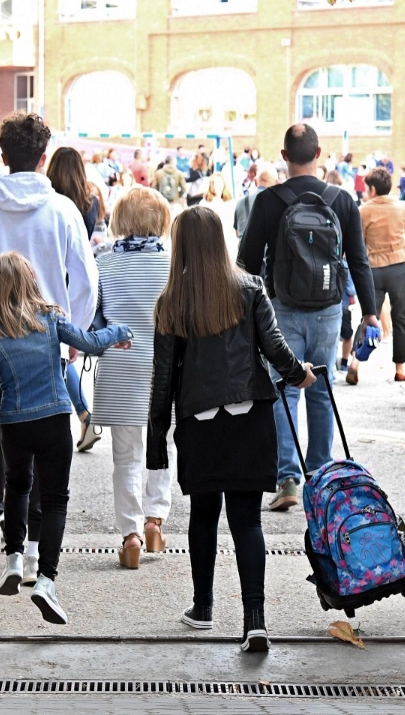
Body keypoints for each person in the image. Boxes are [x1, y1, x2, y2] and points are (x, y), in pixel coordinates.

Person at [149, 206, 314, 649]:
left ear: (181, 245)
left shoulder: (171, 300)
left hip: (199, 421)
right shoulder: (249, 288)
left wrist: (155, 444)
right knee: (246, 522)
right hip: (249, 415)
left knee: (203, 516)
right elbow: (275, 349)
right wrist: (300, 374)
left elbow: (162, 378)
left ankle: (203, 608)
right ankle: (254, 621)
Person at [0, 113, 99, 576]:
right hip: (45, 339)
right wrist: (73, 330)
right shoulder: (62, 210)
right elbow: (86, 278)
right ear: (43, 158)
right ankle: (34, 544)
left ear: (2, 156)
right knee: (40, 439)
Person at [0, 252, 132, 625]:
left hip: (14, 426)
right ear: (30, 283)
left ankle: (13, 559)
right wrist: (119, 332)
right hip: (54, 421)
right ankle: (46, 581)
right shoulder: (51, 320)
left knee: (16, 488)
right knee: (55, 500)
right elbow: (88, 342)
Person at [237, 124, 378, 512]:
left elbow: (246, 263)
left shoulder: (267, 201)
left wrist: (244, 312)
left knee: (286, 388)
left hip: (281, 309)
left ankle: (287, 480)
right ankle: (319, 474)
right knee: (322, 389)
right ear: (319, 154)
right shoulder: (342, 200)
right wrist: (368, 312)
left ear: (284, 156)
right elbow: (359, 260)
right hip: (330, 310)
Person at [89, 187, 176, 568]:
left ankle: (131, 535)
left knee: (125, 458)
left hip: (120, 367)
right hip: (165, 369)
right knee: (162, 447)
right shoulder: (175, 264)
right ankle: (155, 520)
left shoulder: (102, 262)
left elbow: (93, 320)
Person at [46, 147, 108, 450]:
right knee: (63, 348)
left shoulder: (51, 201)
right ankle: (83, 414)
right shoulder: (90, 200)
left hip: (54, 275)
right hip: (78, 274)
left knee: (56, 351)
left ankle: (83, 413)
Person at [348, 168, 405, 384]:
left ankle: (356, 362)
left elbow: (360, 241)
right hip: (399, 267)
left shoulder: (363, 210)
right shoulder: (402, 207)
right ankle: (400, 368)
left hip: (373, 270)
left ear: (373, 189)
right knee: (400, 318)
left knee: (369, 317)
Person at [233, 164, 277, 238]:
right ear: (276, 182)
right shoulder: (278, 202)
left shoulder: (241, 202)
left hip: (245, 248)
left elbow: (237, 233)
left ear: (256, 181)